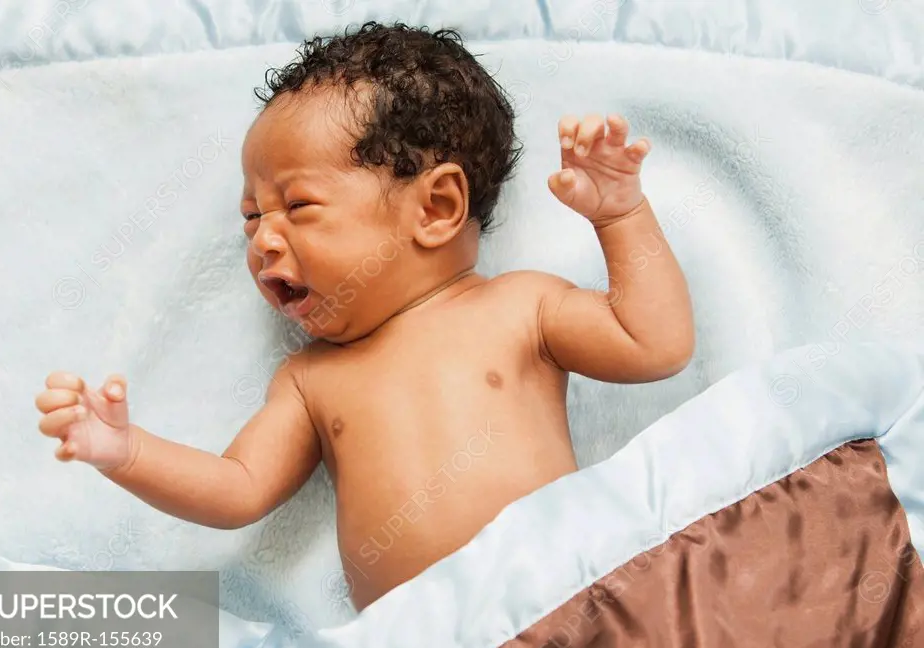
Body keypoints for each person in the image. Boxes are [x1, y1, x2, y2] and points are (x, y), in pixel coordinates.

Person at [35, 22, 694, 610]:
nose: (262, 239)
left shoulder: (522, 306)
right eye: (250, 217)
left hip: (561, 610)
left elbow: (654, 344)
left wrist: (620, 215)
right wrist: (126, 452)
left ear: (435, 209)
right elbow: (237, 489)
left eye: (297, 207)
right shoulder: (310, 380)